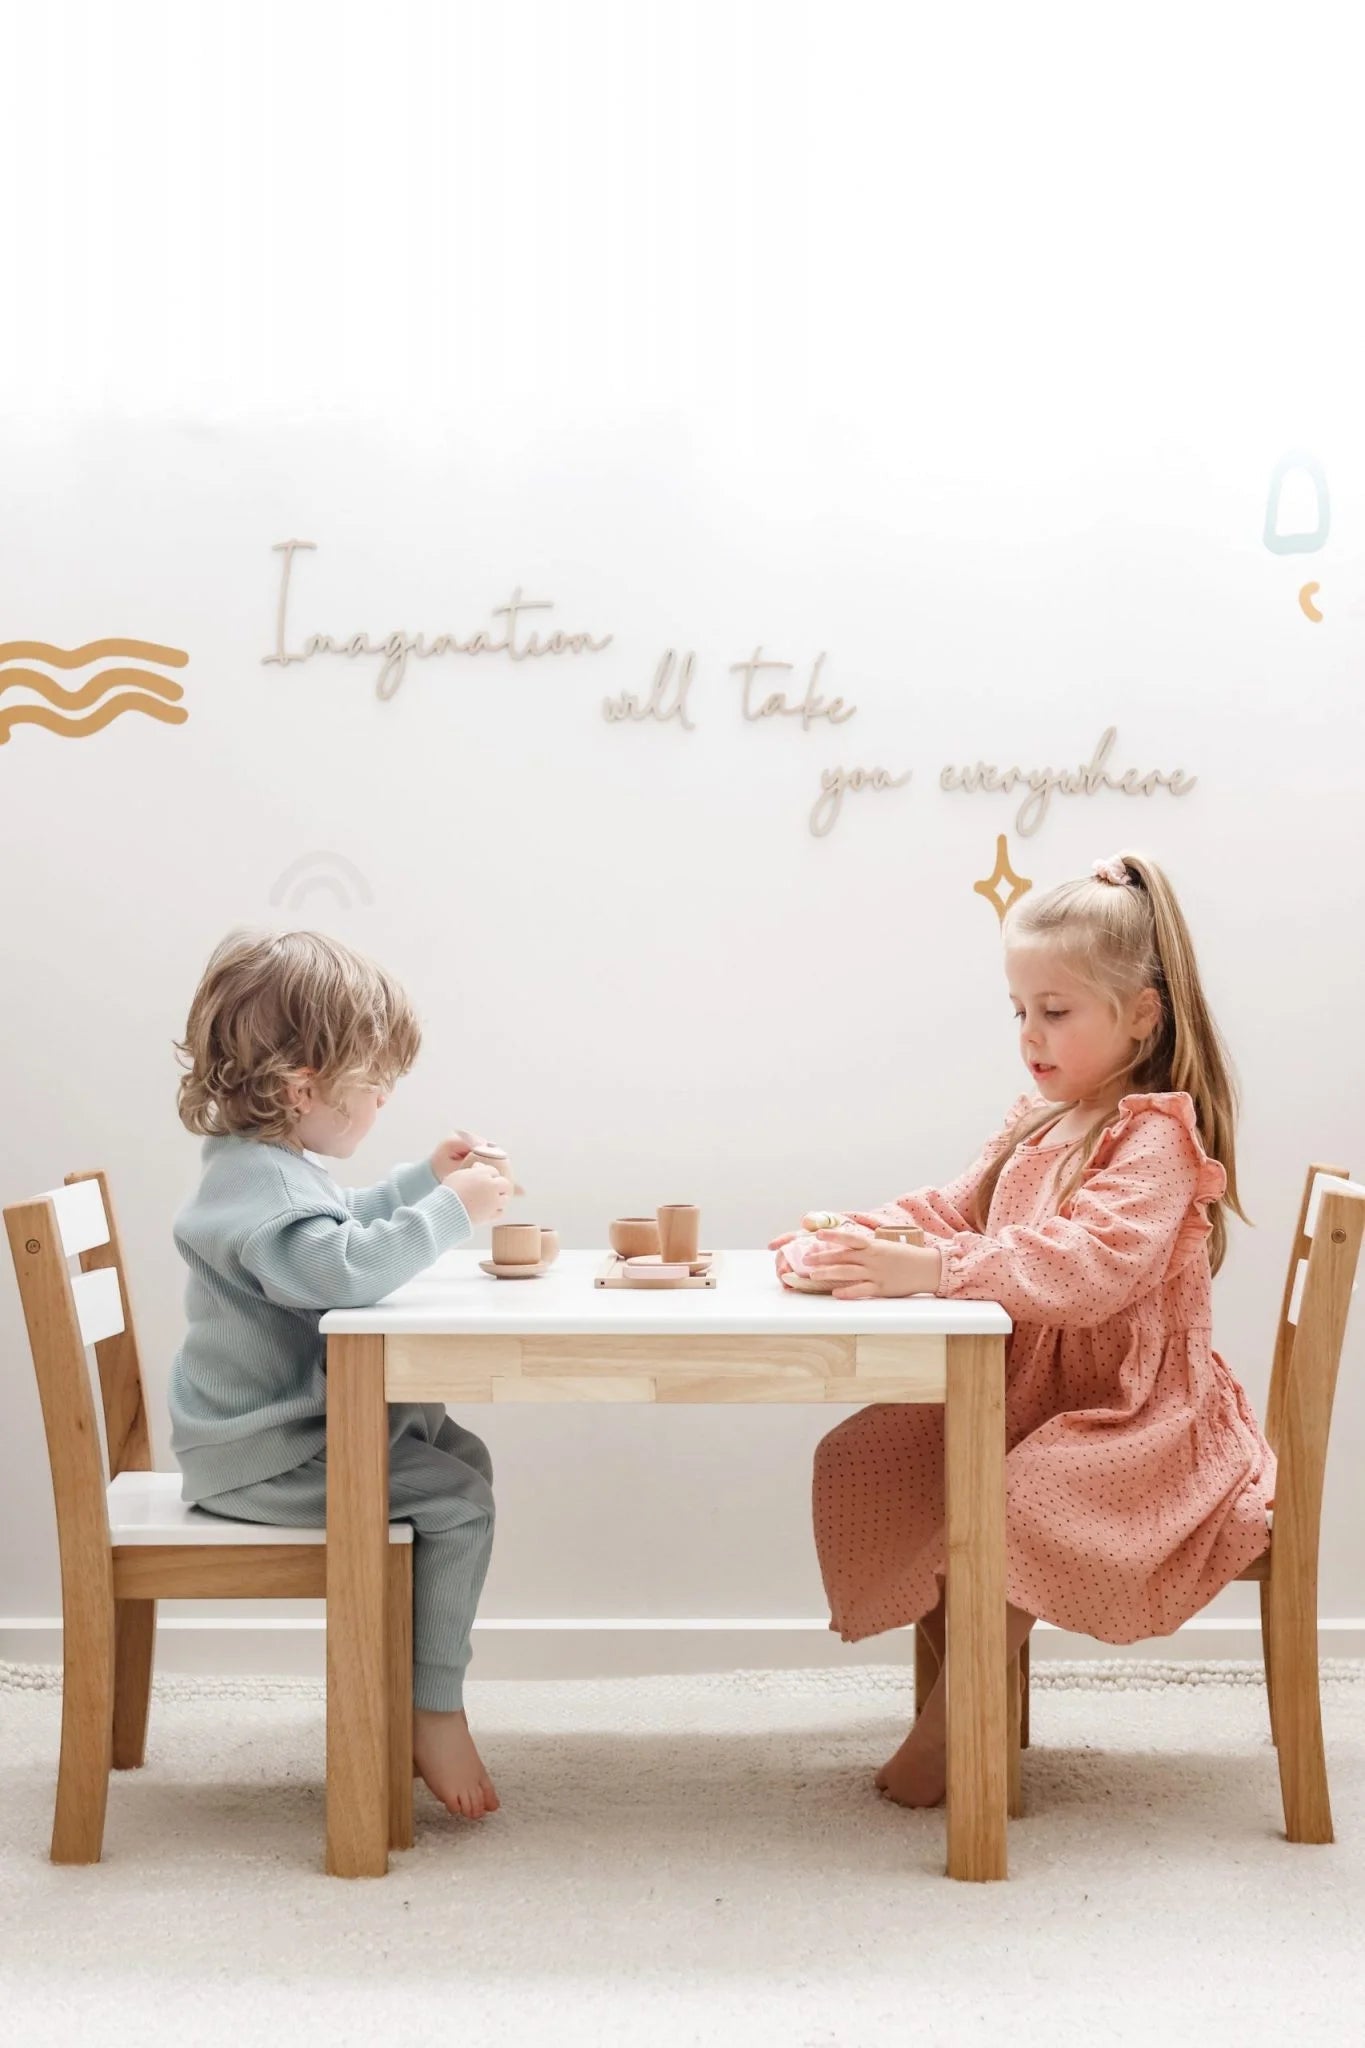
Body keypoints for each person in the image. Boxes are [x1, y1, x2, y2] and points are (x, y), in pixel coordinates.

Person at [773, 852, 1274, 1808]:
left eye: (1056, 1011)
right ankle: (972, 1690)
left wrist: (934, 1270)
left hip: (1138, 1417)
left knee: (1017, 1500)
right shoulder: (1037, 1120)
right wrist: (854, 1235)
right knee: (876, 1449)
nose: (1030, 1035)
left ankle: (953, 1730)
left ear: (1140, 1015)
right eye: (1019, 1011)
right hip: (1030, 1395)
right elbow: (952, 1210)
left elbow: (1088, 1269)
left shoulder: (1155, 1138)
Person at [169, 928, 510, 1820]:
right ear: (303, 1089)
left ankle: (408, 1683)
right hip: (266, 1457)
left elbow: (335, 1221)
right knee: (461, 1500)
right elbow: (338, 1271)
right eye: (372, 1084)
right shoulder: (267, 1189)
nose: (384, 1098)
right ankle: (430, 1705)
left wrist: (418, 1183)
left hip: (270, 1437)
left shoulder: (260, 1172)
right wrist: (450, 1213)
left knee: (458, 1456)